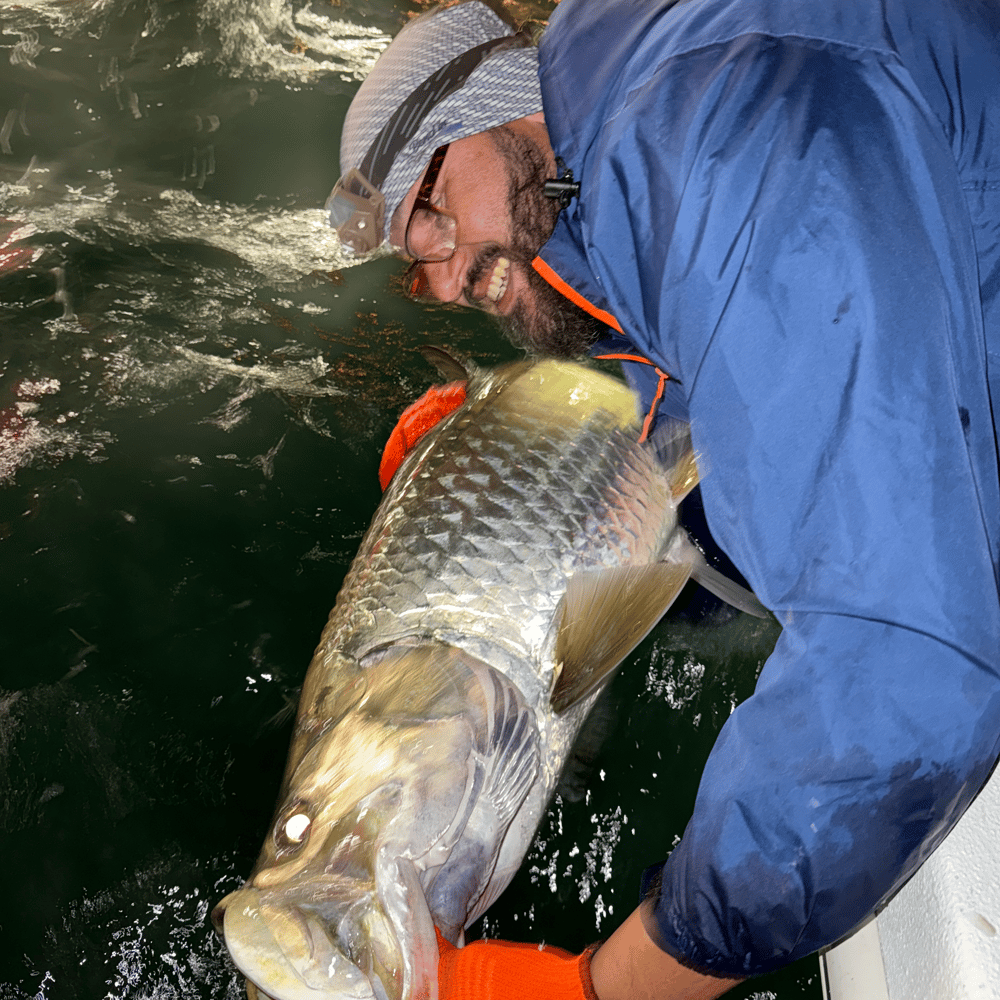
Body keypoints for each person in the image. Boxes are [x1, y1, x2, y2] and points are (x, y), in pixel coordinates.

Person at [325, 1, 1000, 997]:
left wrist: (611, 981)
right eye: (416, 266)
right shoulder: (619, 131)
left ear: (488, 106)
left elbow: (904, 672)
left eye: (430, 213)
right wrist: (526, 435)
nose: (450, 272)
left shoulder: (730, 134)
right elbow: (708, 331)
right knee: (694, 555)